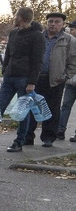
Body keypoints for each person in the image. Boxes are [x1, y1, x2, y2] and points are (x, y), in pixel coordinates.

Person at [0, 7, 45, 152]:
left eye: (16, 15)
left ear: (20, 17)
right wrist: (5, 68)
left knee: (22, 111)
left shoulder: (37, 36)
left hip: (24, 78)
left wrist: (32, 82)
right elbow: (8, 54)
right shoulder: (14, 33)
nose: (14, 17)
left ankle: (19, 141)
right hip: (10, 76)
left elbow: (37, 60)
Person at [25, 12, 76, 144]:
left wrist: (65, 76)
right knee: (32, 108)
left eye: (57, 22)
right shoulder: (38, 37)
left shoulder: (69, 40)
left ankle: (48, 138)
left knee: (52, 109)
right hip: (36, 79)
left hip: (55, 80)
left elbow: (73, 61)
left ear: (62, 24)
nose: (53, 24)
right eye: (50, 21)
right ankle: (28, 136)